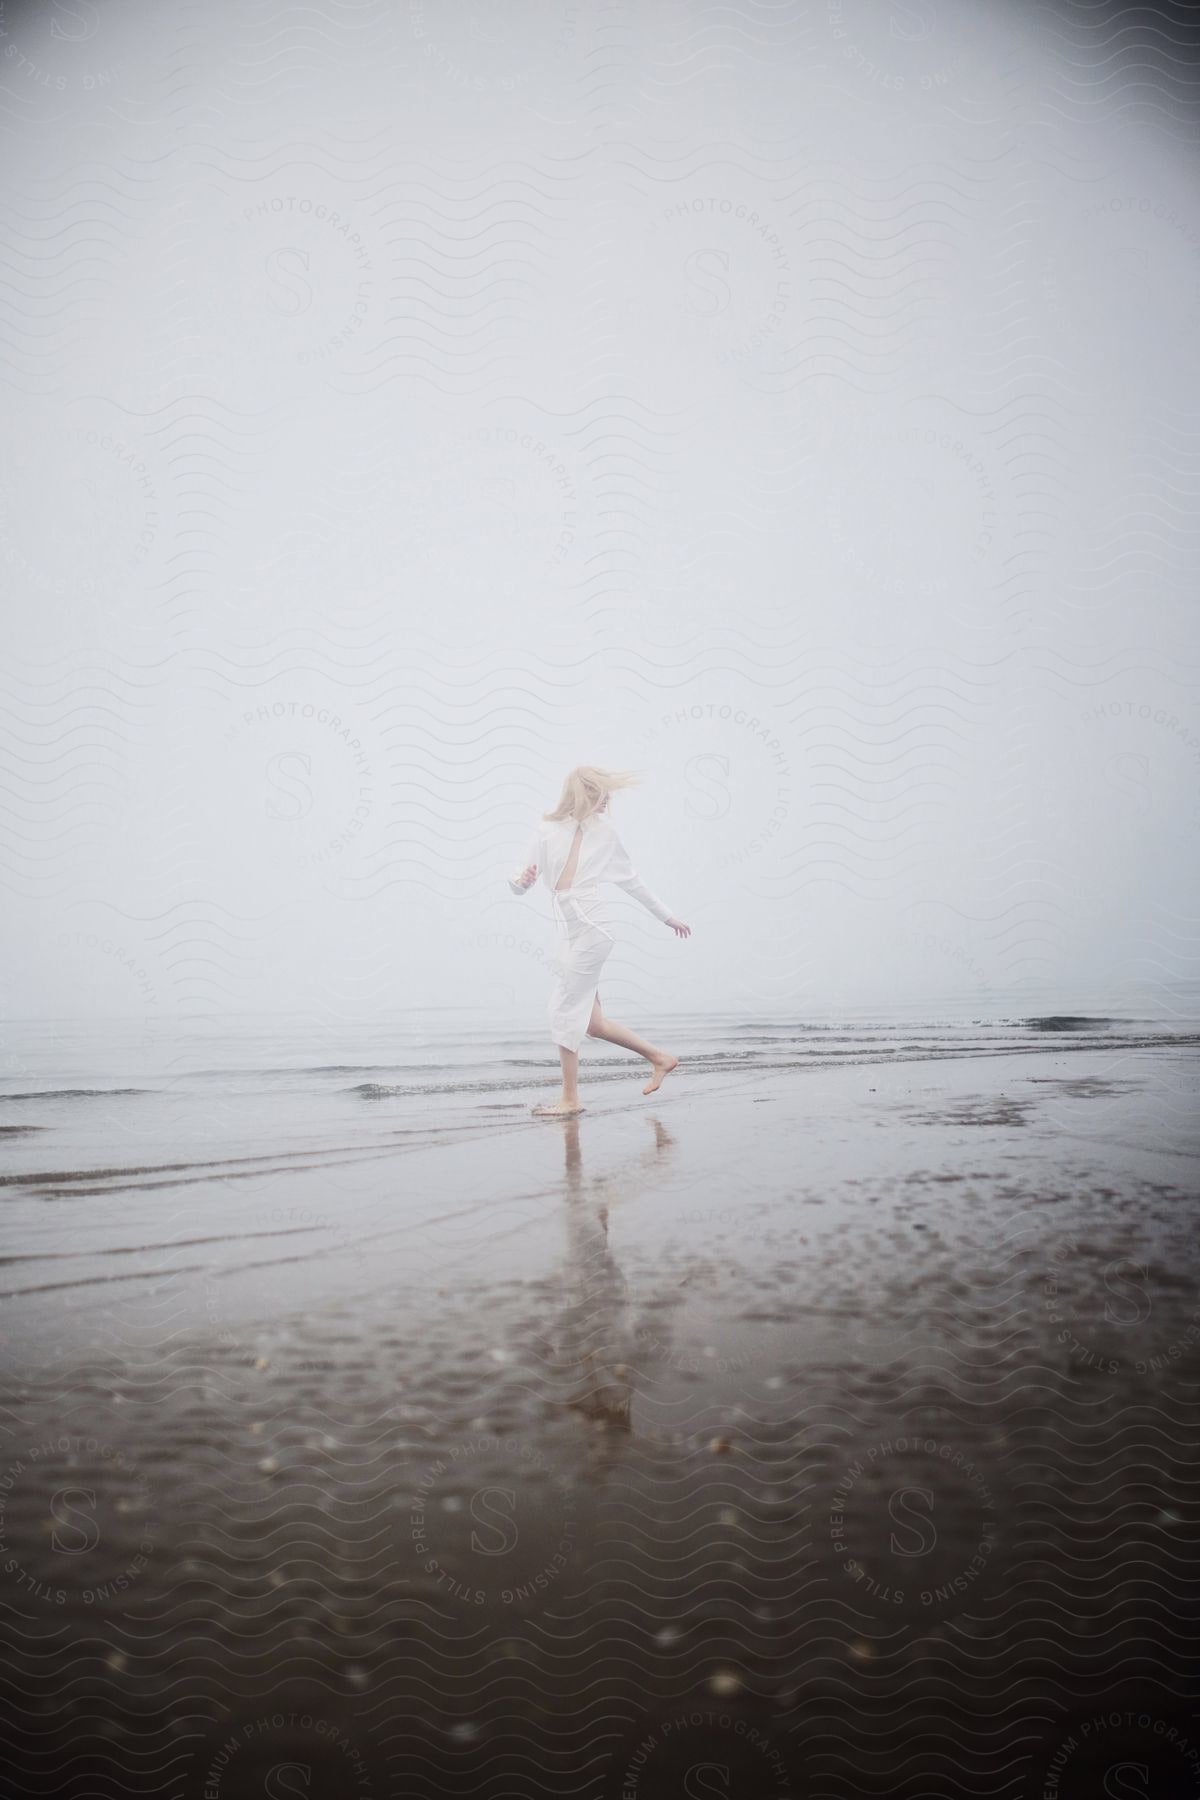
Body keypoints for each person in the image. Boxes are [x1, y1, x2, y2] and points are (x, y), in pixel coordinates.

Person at [507, 766, 691, 1117]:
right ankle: (660, 1058)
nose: (608, 802)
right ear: (586, 795)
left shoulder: (604, 832)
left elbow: (633, 881)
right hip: (568, 931)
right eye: (604, 794)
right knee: (592, 1024)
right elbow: (517, 882)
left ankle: (570, 1099)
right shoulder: (546, 829)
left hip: (594, 930)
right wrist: (525, 879)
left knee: (562, 1012)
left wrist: (668, 917)